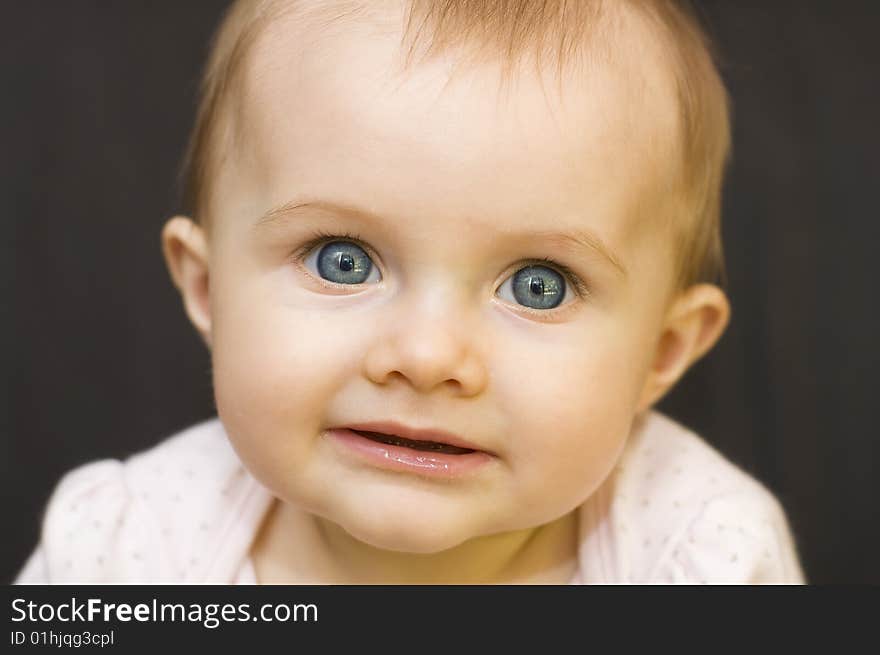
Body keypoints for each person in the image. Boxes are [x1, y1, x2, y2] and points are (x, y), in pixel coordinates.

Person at [16, 0, 804, 584]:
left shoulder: (701, 557)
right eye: (342, 261)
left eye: (539, 284)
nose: (427, 358)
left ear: (660, 353)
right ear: (209, 289)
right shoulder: (123, 555)